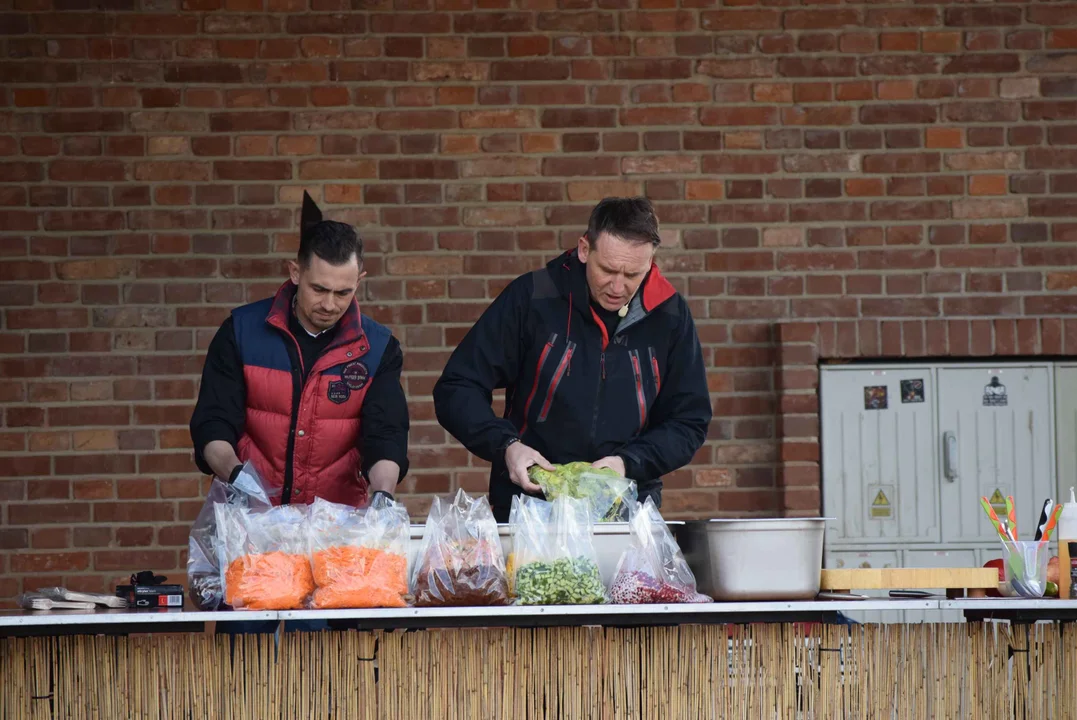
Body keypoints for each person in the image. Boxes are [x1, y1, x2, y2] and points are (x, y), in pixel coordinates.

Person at [433, 197, 711, 522]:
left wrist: (627, 463)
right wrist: (507, 446)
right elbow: (457, 387)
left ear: (651, 261)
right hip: (531, 506)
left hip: (626, 510)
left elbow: (689, 421)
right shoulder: (533, 297)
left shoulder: (670, 315)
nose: (618, 287)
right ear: (584, 249)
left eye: (633, 274)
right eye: (607, 270)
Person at [190, 192, 408, 507]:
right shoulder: (241, 332)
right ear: (296, 273)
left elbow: (386, 435)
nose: (329, 304)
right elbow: (213, 423)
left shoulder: (378, 349)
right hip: (250, 519)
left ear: (359, 281)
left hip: (335, 526)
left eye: (343, 292)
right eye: (318, 289)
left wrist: (384, 495)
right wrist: (239, 480)